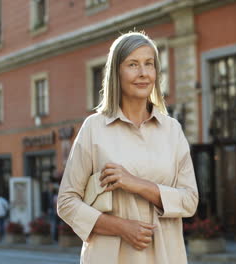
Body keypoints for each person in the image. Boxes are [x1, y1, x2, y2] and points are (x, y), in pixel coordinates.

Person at [57, 32, 199, 264]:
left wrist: (136, 184)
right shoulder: (94, 128)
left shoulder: (172, 130)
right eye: (133, 64)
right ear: (116, 72)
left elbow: (190, 200)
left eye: (149, 64)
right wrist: (120, 227)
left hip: (165, 256)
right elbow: (66, 202)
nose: (143, 73)